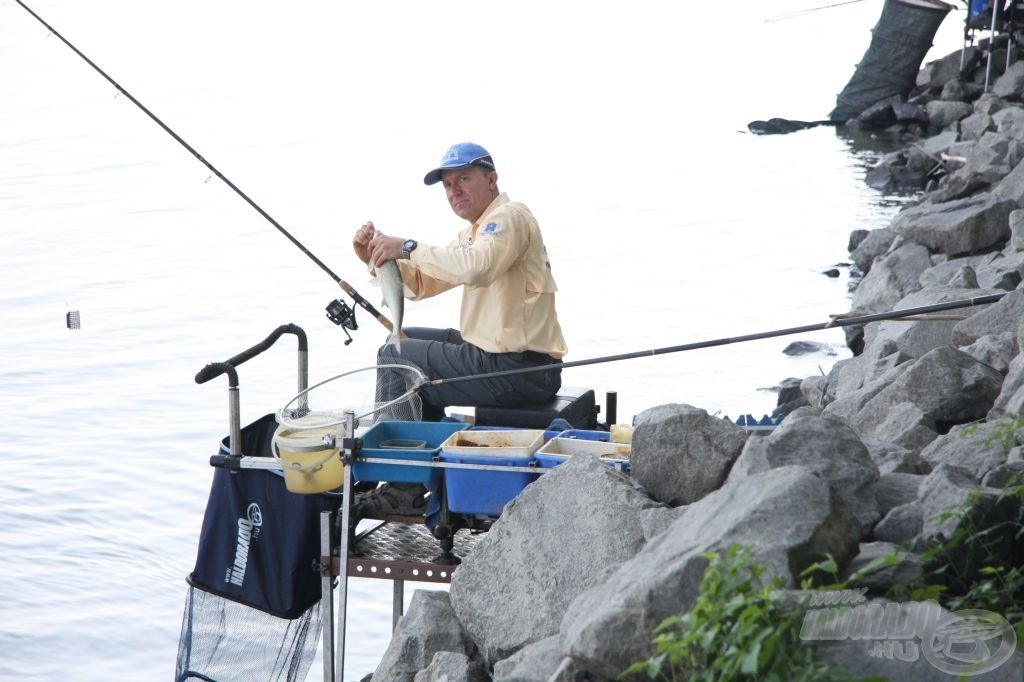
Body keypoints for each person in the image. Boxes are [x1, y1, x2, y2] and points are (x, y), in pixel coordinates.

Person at [351, 141, 568, 516]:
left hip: (519, 368)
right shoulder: (477, 233)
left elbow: (474, 267)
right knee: (404, 340)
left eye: (464, 180)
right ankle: (416, 476)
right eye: (448, 186)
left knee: (394, 357)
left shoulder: (509, 218)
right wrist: (377, 259)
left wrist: (405, 245)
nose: (455, 192)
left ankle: (400, 484)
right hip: (503, 361)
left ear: (492, 179)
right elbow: (421, 283)